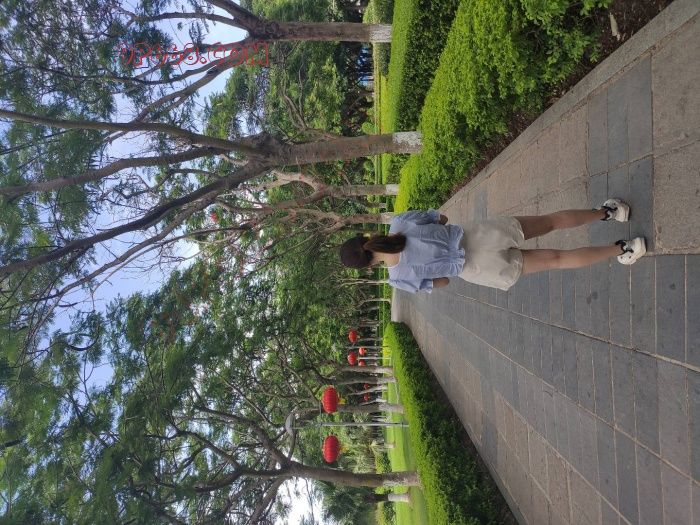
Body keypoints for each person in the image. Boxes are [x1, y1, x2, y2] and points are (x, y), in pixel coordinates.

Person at [338, 199, 646, 293]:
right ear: (365, 238)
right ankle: (609, 212)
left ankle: (625, 248)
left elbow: (443, 282)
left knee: (556, 259)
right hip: (479, 235)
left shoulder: (398, 280)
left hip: (477, 268)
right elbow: (442, 218)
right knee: (550, 221)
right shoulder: (399, 224)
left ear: (368, 267)